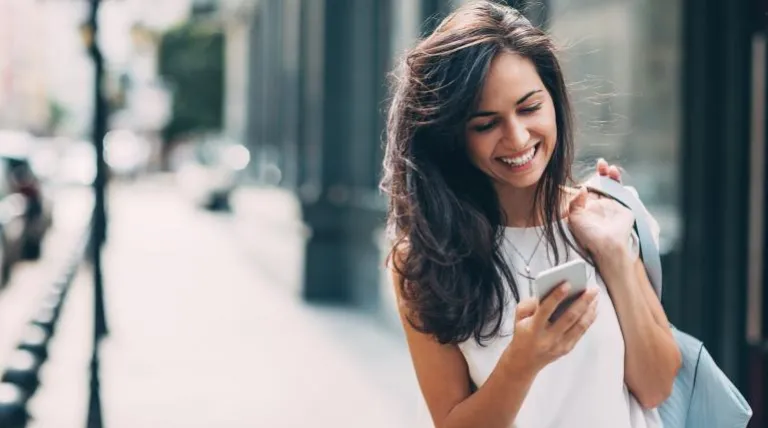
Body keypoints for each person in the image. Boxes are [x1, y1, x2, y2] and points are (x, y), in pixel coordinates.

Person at [379, 2, 682, 427]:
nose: (517, 138)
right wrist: (523, 360)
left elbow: (656, 387)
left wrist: (614, 255)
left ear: (553, 99)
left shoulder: (606, 216)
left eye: (529, 108)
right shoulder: (424, 259)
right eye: (486, 124)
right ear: (452, 136)